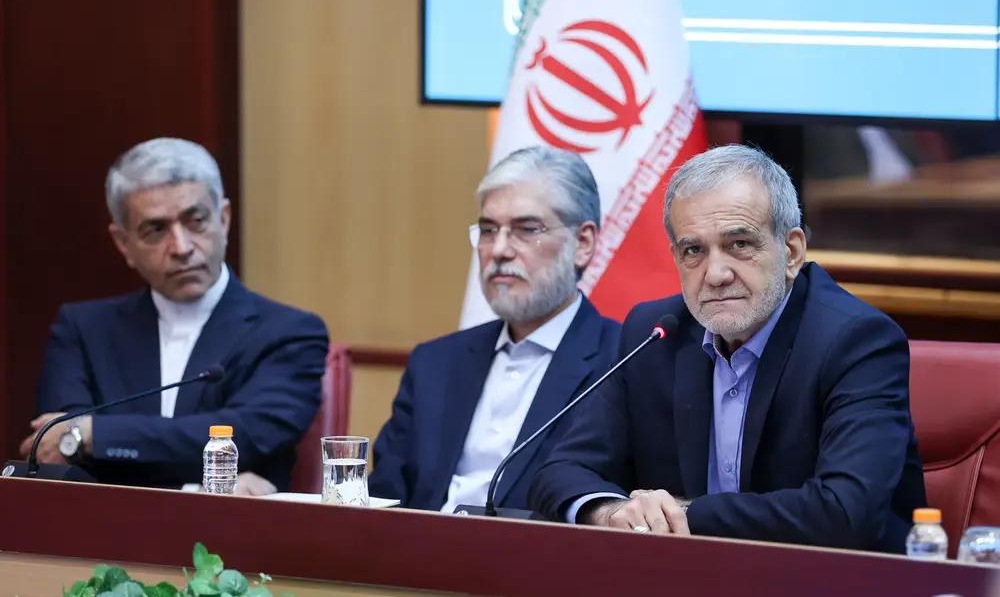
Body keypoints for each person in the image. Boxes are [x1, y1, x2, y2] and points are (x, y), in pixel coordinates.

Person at [529, 144, 926, 552]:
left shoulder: (856, 341)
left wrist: (681, 516)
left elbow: (845, 513)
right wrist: (612, 513)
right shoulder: (654, 334)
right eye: (694, 251)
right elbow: (561, 471)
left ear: (791, 252)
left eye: (739, 245)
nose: (715, 274)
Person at [21, 138, 328, 493]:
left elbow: (246, 435)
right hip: (106, 533)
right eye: (156, 230)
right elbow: (57, 446)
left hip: (231, 535)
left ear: (224, 219)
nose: (181, 248)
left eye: (195, 221)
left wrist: (94, 433)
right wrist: (80, 437)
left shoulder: (290, 332)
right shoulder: (82, 329)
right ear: (123, 243)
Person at [368, 146, 621, 512]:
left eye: (526, 229)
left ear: (583, 243)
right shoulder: (435, 363)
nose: (499, 249)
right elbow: (385, 497)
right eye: (488, 230)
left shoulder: (622, 363)